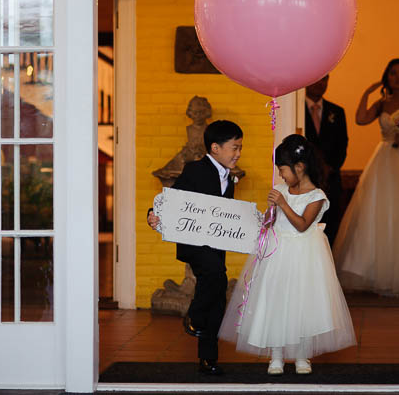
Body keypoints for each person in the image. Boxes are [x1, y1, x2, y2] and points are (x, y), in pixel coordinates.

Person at [219, 134, 356, 376]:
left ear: (300, 167)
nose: (281, 175)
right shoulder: (280, 190)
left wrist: (282, 203)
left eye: (283, 169)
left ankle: (302, 355)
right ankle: (277, 355)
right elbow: (272, 221)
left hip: (305, 255)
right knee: (275, 302)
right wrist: (268, 212)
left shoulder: (317, 196)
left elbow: (302, 224)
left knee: (302, 304)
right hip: (277, 253)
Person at [147, 120, 243, 376]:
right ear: (215, 148)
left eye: (240, 148)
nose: (238, 153)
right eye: (234, 147)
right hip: (195, 245)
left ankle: (207, 358)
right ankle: (194, 317)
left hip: (215, 246)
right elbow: (174, 197)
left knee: (216, 294)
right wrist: (152, 214)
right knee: (215, 277)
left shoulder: (229, 178)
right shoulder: (195, 170)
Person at [332, 58, 399, 297]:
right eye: (393, 73)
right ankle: (374, 272)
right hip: (384, 161)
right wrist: (367, 92)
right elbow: (360, 119)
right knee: (379, 213)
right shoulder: (382, 103)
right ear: (387, 77)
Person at [303, 74, 349, 246]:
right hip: (305, 180)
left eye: (324, 79)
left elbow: (342, 144)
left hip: (331, 180)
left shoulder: (337, 111)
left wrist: (329, 168)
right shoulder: (295, 109)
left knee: (331, 226)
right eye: (316, 78)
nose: (320, 83)